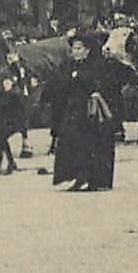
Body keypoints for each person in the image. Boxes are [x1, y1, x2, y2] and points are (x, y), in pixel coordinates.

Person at [48, 31, 117, 192]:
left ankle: (95, 179)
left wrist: (97, 92)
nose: (76, 52)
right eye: (74, 49)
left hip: (91, 111)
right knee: (71, 142)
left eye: (79, 48)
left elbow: (106, 84)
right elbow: (59, 86)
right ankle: (78, 176)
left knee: (92, 143)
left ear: (87, 50)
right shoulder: (67, 66)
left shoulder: (96, 65)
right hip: (73, 110)